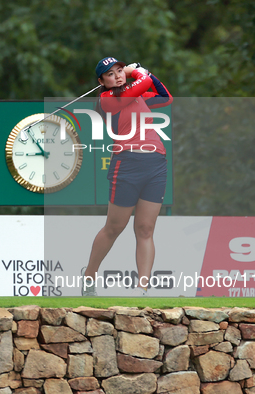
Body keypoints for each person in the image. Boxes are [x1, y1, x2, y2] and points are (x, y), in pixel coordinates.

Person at [82, 57, 173, 296]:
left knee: (145, 229)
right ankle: (89, 275)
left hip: (156, 163)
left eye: (120, 70)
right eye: (110, 74)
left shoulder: (136, 95)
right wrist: (138, 72)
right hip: (127, 163)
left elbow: (166, 97)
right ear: (101, 81)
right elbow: (142, 84)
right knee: (114, 227)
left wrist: (145, 73)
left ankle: (143, 288)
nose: (118, 75)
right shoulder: (107, 100)